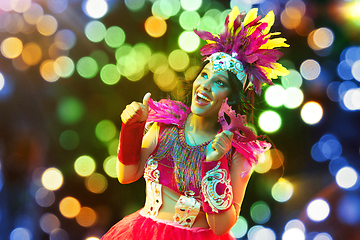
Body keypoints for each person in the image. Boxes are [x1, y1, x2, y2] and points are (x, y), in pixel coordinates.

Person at [101, 6, 289, 240]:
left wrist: (215, 162)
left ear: (232, 98)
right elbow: (127, 174)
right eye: (204, 75)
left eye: (219, 83)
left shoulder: (238, 152)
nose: (206, 86)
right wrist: (131, 127)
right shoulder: (165, 126)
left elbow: (221, 227)